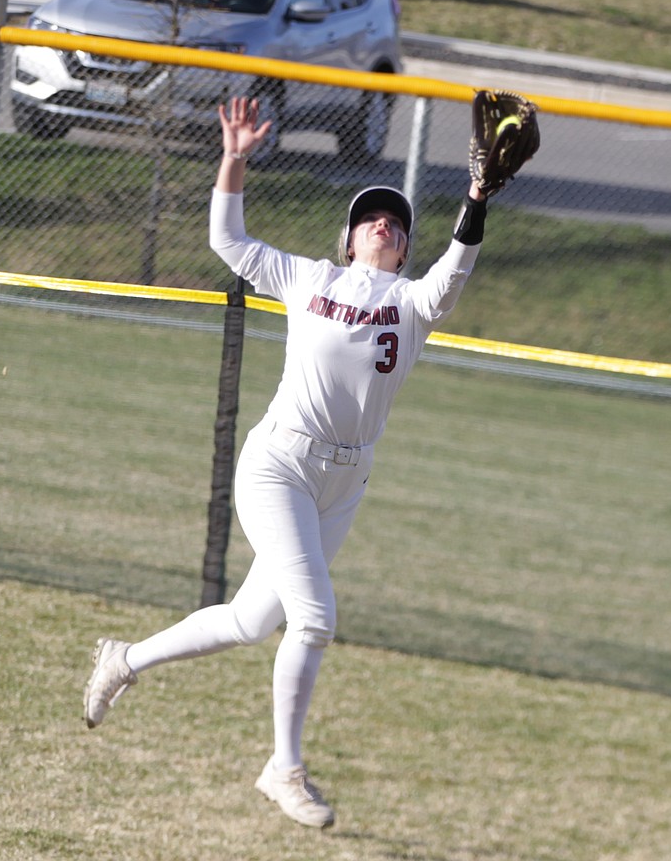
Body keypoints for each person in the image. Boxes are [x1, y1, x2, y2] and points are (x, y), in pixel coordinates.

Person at [83, 95, 490, 829]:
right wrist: (234, 158)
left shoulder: (412, 302)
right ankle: (284, 768)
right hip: (280, 466)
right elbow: (229, 242)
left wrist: (476, 198)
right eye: (371, 215)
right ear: (348, 239)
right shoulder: (312, 281)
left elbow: (455, 273)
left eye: (396, 223)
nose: (384, 223)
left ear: (403, 251)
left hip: (346, 482)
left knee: (250, 619)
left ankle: (124, 658)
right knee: (314, 617)